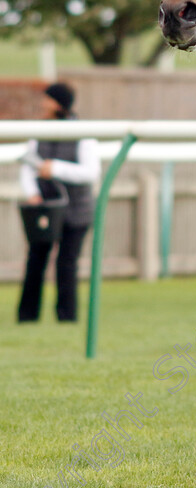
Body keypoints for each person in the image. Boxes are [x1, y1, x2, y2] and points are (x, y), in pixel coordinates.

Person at [17, 82, 100, 322]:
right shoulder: (39, 132)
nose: (42, 104)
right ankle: (27, 316)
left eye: (47, 99)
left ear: (58, 104)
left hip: (76, 210)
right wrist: (32, 192)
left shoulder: (82, 134)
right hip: (45, 209)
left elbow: (90, 172)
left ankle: (66, 316)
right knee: (35, 262)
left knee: (67, 265)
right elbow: (27, 165)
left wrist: (55, 169)